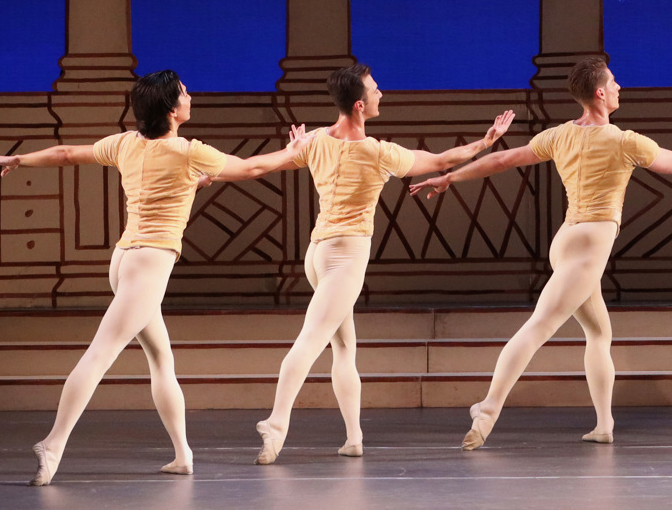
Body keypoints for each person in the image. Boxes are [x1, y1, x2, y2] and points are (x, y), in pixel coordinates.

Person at [408, 56, 672, 449]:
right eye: (614, 82)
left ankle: (604, 423)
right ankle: (487, 410)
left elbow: (503, 159)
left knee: (598, 332)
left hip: (569, 240)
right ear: (600, 92)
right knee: (539, 326)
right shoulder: (625, 141)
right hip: (590, 246)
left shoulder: (560, 135)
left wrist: (451, 176)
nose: (620, 87)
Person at [0, 69, 291, 486]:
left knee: (162, 359)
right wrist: (297, 150)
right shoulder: (187, 150)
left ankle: (183, 455)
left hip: (125, 261)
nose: (190, 96)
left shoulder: (127, 143)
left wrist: (19, 158)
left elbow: (68, 153)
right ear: (171, 109)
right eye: (184, 92)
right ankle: (52, 444)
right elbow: (252, 168)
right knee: (100, 354)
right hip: (147, 266)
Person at [202, 62, 516, 463]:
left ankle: (354, 437)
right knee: (312, 339)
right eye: (375, 90)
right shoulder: (377, 153)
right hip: (345, 259)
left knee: (345, 347)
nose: (381, 93)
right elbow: (439, 161)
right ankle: (276, 424)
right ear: (359, 105)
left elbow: (259, 167)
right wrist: (486, 141)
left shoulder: (314, 140)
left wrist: (214, 174)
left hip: (318, 255)